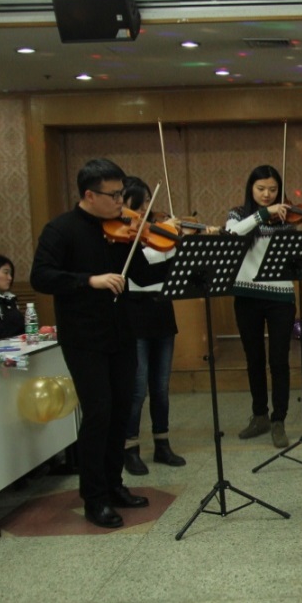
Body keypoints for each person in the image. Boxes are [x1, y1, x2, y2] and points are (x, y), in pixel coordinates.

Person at [31, 158, 167, 529]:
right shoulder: (60, 229)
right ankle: (94, 497)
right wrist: (89, 280)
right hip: (84, 338)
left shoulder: (122, 230)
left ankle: (114, 485)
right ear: (89, 195)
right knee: (98, 414)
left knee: (121, 411)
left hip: (121, 332)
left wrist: (181, 255)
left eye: (122, 194)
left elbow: (142, 274)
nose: (122, 202)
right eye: (114, 195)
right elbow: (41, 276)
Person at [225, 165, 302, 449]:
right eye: (261, 189)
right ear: (251, 189)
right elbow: (231, 234)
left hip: (281, 297)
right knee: (254, 359)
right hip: (247, 296)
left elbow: (297, 257)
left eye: (273, 190)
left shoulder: (286, 219)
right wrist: (263, 214)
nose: (267, 195)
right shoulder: (238, 214)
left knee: (279, 360)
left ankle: (278, 419)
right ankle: (259, 415)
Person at [119, 176, 189, 476]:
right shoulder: (122, 235)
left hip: (161, 310)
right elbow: (143, 273)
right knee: (137, 389)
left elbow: (167, 270)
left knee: (161, 386)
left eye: (148, 201)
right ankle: (130, 448)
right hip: (134, 312)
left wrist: (178, 242)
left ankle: (162, 443)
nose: (146, 208)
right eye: (141, 202)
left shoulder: (155, 230)